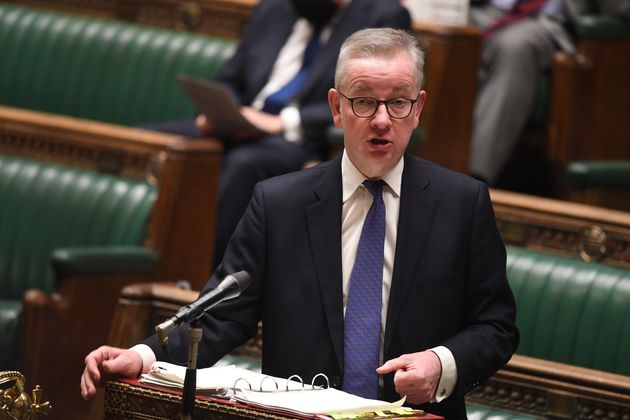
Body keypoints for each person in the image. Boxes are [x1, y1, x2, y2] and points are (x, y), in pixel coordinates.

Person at [81, 28, 519, 418]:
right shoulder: (278, 204)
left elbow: (496, 326)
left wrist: (442, 363)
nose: (382, 120)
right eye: (364, 101)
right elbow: (218, 317)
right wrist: (142, 356)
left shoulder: (462, 203)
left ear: (418, 107)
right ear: (336, 106)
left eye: (398, 102)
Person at [143, 0, 411, 267]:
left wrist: (282, 122)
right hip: (240, 125)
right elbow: (229, 78)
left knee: (245, 164)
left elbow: (372, 100)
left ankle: (209, 279)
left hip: (301, 140)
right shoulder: (273, 8)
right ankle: (143, 259)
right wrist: (223, 113)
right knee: (142, 140)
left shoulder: (382, 15)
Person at [468, 0, 630, 186]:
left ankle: (472, 182)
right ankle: (434, 169)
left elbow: (623, 8)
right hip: (481, 11)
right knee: (438, 28)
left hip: (545, 23)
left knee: (516, 45)